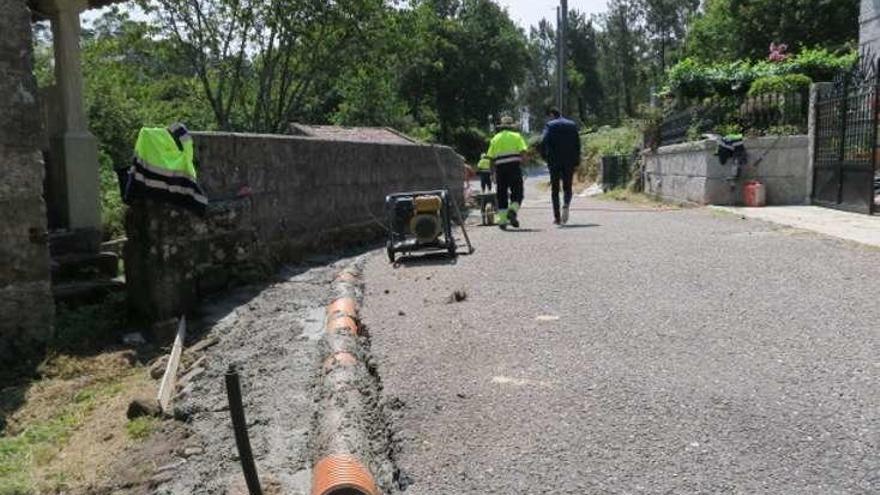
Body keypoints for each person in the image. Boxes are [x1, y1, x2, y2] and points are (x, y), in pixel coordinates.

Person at [486, 115, 528, 229]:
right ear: (511, 126)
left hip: (500, 169)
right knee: (518, 192)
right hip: (514, 167)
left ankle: (503, 220)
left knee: (501, 195)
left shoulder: (495, 138)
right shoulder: (517, 136)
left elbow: (490, 158)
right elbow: (523, 152)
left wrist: (492, 173)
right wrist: (524, 166)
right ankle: (512, 210)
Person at [541, 108, 581, 225]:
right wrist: (576, 160)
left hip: (554, 161)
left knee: (555, 189)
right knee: (567, 187)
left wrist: (545, 157)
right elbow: (577, 144)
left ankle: (557, 217)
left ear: (552, 115)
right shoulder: (572, 125)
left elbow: (543, 142)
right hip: (569, 161)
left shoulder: (550, 125)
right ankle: (566, 204)